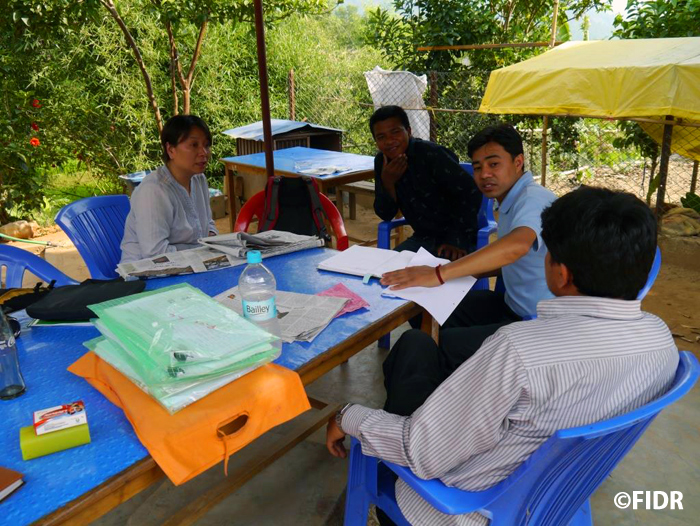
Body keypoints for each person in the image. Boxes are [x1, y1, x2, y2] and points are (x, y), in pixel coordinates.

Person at [327, 186, 677, 526]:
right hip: (555, 497)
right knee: (419, 347)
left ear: (562, 274)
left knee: (413, 347)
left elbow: (420, 451)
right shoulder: (661, 340)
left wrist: (348, 416)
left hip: (460, 509)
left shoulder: (519, 350)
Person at [381, 124, 556, 376]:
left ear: (518, 162)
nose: (484, 174)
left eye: (493, 164)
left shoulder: (532, 199)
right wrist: (451, 273)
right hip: (510, 306)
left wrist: (440, 274)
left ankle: (450, 381)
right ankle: (454, 377)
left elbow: (517, 246)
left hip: (536, 324)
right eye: (477, 167)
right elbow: (514, 260)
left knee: (432, 349)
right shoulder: (510, 199)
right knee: (427, 308)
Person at [371, 106, 482, 260]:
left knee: (439, 274)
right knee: (386, 268)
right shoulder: (382, 163)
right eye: (381, 137)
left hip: (457, 238)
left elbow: (471, 192)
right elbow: (386, 214)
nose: (389, 141)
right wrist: (388, 183)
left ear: (408, 131)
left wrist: (457, 240)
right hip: (422, 239)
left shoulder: (431, 154)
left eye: (395, 132)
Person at [120, 115, 218, 263]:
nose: (203, 152)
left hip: (191, 263)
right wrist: (200, 253)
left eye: (206, 145)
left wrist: (213, 243)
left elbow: (208, 224)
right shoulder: (153, 190)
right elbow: (155, 253)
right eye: (194, 145)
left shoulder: (199, 179)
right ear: (171, 150)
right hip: (148, 269)